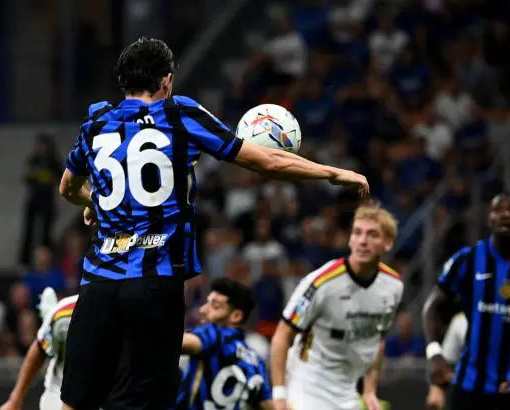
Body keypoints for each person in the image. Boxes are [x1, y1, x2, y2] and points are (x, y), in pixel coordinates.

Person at [57, 37, 369, 410]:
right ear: (167, 80)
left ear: (123, 81)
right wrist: (332, 173)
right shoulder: (180, 114)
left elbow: (68, 187)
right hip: (155, 284)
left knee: (76, 401)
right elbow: (266, 162)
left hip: (99, 286)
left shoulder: (95, 122)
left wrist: (97, 202)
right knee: (142, 401)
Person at [423, 194, 510, 410]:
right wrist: (434, 353)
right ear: (489, 219)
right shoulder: (466, 260)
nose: (505, 214)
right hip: (470, 387)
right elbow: (433, 306)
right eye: (498, 210)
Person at [270, 202, 404, 410]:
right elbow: (282, 333)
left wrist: (369, 390)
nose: (362, 241)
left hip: (348, 389)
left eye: (372, 235)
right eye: (357, 233)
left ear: (387, 243)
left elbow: (378, 339)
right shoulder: (321, 283)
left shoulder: (394, 286)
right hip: (307, 383)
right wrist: (279, 395)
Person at [173, 278, 272, 410]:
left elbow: (180, 343)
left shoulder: (215, 334)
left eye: (215, 306)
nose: (203, 309)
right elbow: (269, 404)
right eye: (206, 302)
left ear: (236, 316)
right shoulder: (257, 362)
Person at [0, 288, 77, 410]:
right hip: (59, 393)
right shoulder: (64, 313)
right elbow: (40, 348)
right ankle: (48, 320)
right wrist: (15, 399)